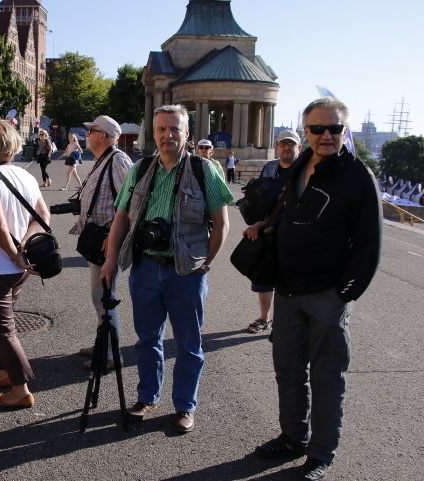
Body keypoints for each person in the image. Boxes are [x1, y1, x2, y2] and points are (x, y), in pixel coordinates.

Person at [253, 98, 382, 481]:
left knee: (327, 376)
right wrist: (268, 229)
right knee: (288, 370)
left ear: (346, 130)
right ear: (305, 130)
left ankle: (321, 453)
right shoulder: (299, 167)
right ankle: (293, 436)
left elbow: (369, 244)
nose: (326, 136)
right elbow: (295, 215)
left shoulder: (358, 176)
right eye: (317, 129)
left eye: (335, 129)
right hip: (288, 291)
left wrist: (344, 293)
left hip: (327, 294)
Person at [101, 104, 233, 433]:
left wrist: (206, 264)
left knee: (189, 344)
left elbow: (221, 224)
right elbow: (121, 217)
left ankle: (185, 406)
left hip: (186, 272)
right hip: (145, 268)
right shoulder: (140, 168)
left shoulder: (204, 170)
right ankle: (147, 397)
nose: (167, 135)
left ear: (186, 134)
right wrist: (110, 260)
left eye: (175, 129)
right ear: (154, 133)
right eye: (161, 129)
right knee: (147, 340)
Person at [0, 119, 51, 408]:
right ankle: (5, 372)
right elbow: (43, 217)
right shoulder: (26, 177)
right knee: (1, 324)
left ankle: (21, 388)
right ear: (15, 145)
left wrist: (14, 252)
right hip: (18, 270)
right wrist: (24, 247)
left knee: (3, 330)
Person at [69, 115, 133, 370]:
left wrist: (114, 237)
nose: (87, 135)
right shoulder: (103, 160)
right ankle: (103, 344)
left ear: (103, 136)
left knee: (104, 296)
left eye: (91, 131)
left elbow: (131, 202)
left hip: (108, 242)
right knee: (100, 296)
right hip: (98, 240)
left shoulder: (117, 160)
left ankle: (110, 354)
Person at [243, 130, 301, 334]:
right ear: (276, 147)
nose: (287, 148)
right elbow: (259, 200)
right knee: (264, 277)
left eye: (291, 144)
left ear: (299, 148)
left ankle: (283, 322)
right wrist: (257, 222)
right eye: (283, 144)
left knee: (288, 280)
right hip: (267, 230)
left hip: (293, 234)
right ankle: (263, 318)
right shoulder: (269, 168)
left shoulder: (305, 171)